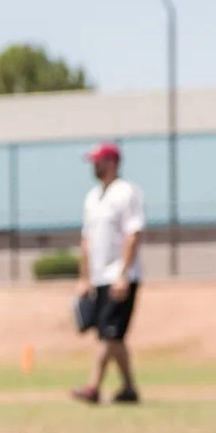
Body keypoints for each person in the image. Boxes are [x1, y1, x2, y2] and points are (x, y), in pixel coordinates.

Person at [71, 142, 145, 405]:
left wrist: (123, 274)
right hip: (99, 277)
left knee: (108, 334)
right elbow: (86, 240)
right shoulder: (92, 197)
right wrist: (84, 277)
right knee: (113, 335)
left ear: (111, 162)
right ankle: (129, 388)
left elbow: (133, 234)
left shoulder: (126, 192)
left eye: (97, 160)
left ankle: (92, 387)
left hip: (120, 276)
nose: (93, 165)